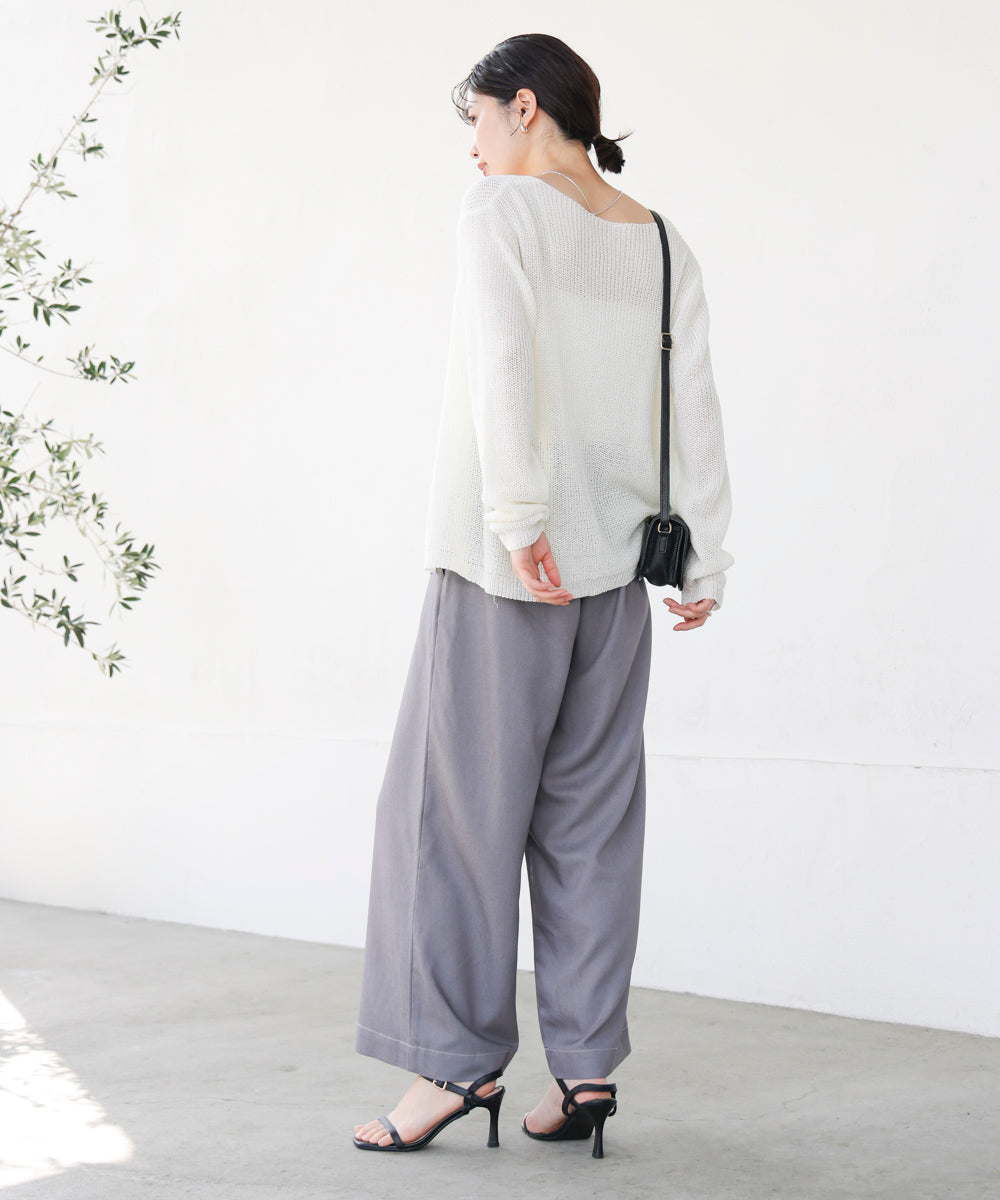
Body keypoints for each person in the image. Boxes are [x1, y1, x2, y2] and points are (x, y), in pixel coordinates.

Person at [352, 33, 734, 1159]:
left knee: (450, 821)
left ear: (524, 107)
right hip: (617, 578)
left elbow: (503, 363)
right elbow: (693, 405)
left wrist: (519, 521)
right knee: (591, 826)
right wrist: (704, 555)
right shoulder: (658, 239)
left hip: (506, 568)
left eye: (475, 120)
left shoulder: (501, 213)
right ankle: (585, 1069)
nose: (471, 148)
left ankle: (454, 1065)